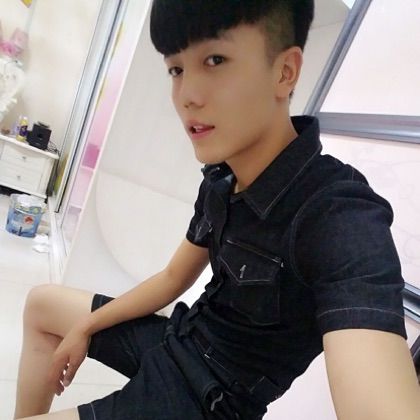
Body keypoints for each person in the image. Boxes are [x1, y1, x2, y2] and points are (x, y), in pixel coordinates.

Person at [14, 1, 420, 419]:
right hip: (181, 340)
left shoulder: (338, 213)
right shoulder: (221, 179)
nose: (187, 97)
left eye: (215, 60)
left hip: (211, 401)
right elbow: (172, 278)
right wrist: (86, 325)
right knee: (42, 304)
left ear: (285, 72)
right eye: (176, 69)